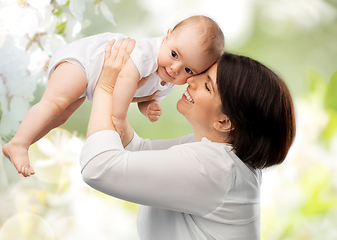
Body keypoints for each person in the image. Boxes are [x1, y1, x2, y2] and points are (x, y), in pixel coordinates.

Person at [80, 38, 296, 239]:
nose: (191, 79)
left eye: (207, 85)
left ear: (224, 122)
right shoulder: (216, 154)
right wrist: (124, 93)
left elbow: (97, 167)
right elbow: (136, 150)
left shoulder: (215, 168)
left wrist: (106, 86)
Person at [3, 15, 225, 177]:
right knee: (55, 103)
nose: (176, 68)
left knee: (60, 117)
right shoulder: (146, 53)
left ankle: (23, 142)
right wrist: (118, 118)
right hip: (84, 62)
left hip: (91, 83)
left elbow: (140, 95)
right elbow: (126, 79)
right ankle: (20, 143)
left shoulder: (166, 79)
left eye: (188, 70)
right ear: (166, 37)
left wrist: (148, 106)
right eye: (174, 54)